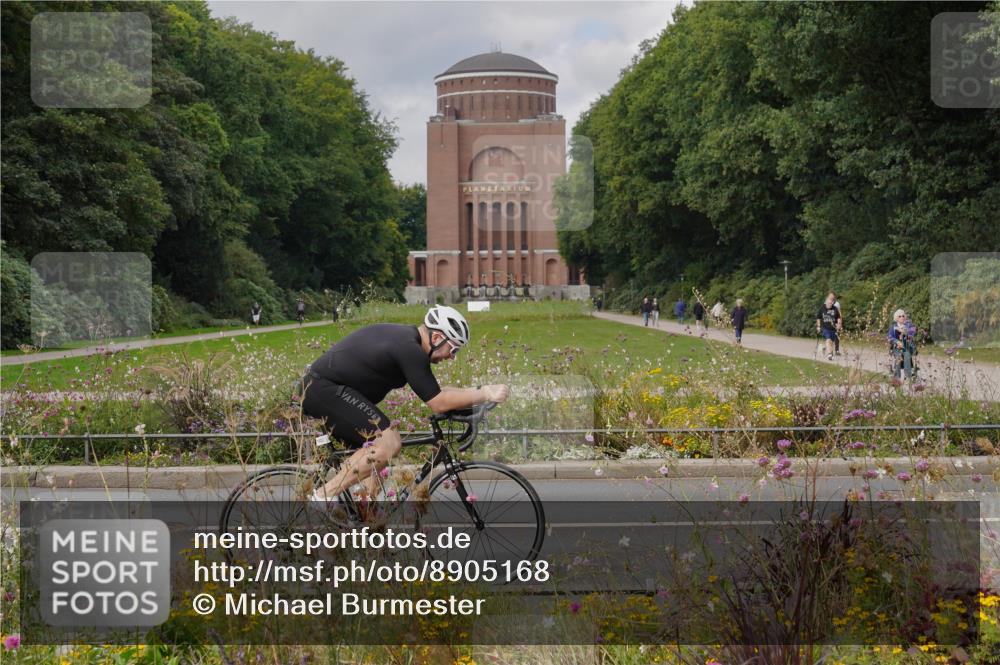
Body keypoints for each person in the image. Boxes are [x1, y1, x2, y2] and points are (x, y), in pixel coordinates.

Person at [302, 305, 509, 502]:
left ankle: (361, 530)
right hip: (322, 389)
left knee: (376, 471)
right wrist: (485, 393)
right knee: (388, 442)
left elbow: (439, 392)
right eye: (453, 349)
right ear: (437, 337)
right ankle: (322, 497)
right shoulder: (408, 348)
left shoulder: (407, 342)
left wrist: (480, 394)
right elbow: (438, 402)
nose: (452, 357)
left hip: (327, 389)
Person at [888, 308, 917, 380]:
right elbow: (889, 337)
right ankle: (897, 377)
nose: (902, 317)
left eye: (903, 316)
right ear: (896, 318)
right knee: (898, 357)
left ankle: (908, 376)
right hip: (897, 348)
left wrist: (905, 332)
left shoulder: (908, 325)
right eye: (899, 316)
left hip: (906, 347)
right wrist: (897, 342)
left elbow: (912, 332)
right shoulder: (893, 327)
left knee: (907, 355)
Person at [815, 292, 842, 361]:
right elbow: (818, 317)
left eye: (832, 301)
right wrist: (818, 326)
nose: (830, 302)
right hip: (825, 328)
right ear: (826, 300)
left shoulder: (835, 308)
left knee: (831, 343)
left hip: (833, 329)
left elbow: (839, 317)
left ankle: (823, 348)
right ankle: (830, 354)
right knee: (828, 340)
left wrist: (839, 324)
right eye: (829, 300)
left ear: (833, 302)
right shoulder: (822, 308)